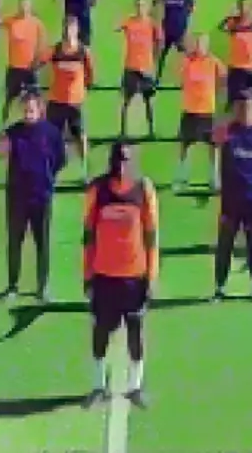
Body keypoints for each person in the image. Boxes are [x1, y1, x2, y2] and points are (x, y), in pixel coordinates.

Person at [82, 140, 159, 410]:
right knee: (100, 331)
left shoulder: (144, 189)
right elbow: (88, 236)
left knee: (135, 332)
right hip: (104, 275)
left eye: (126, 159)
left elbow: (151, 236)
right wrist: (87, 274)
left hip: (134, 277)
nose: (121, 165)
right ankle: (97, 386)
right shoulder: (98, 189)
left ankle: (135, 387)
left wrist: (152, 275)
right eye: (117, 159)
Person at [0, 91, 67, 302]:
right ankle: (12, 286)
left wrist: (48, 175)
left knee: (42, 243)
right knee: (14, 242)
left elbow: (61, 159)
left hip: (41, 197)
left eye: (31, 110)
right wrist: (0, 147)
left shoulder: (51, 133)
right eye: (25, 111)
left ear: (40, 111)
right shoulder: (14, 132)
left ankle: (42, 287)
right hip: (17, 197)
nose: (28, 114)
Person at [212, 93, 252, 305]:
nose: (244, 111)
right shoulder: (228, 132)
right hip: (231, 202)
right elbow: (214, 140)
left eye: (247, 107)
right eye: (240, 107)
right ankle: (219, 288)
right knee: (224, 246)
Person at [39, 18, 95, 183]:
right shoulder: (56, 50)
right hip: (56, 101)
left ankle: (85, 170)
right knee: (51, 138)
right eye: (67, 29)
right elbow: (40, 61)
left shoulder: (83, 52)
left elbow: (90, 74)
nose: (70, 32)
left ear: (77, 30)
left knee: (80, 136)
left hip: (75, 102)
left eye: (72, 29)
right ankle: (50, 171)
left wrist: (85, 87)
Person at [173, 34, 226, 191]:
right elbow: (178, 74)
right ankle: (182, 178)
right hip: (190, 111)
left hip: (208, 111)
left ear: (207, 46)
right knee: (185, 146)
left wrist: (218, 95)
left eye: (202, 44)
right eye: (197, 44)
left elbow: (223, 78)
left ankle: (214, 179)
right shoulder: (187, 61)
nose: (199, 47)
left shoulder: (214, 62)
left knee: (214, 146)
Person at [118, 0, 162, 139]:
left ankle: (151, 130)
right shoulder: (129, 22)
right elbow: (116, 26)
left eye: (142, 5)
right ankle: (123, 131)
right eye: (137, 5)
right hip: (131, 66)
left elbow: (160, 41)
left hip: (146, 68)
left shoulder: (152, 24)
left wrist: (153, 59)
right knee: (126, 100)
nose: (139, 8)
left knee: (148, 100)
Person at [0, 0, 46, 122]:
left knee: (36, 98)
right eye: (21, 5)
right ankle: (4, 127)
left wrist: (38, 62)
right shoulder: (11, 21)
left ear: (30, 7)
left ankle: (41, 123)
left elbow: (42, 45)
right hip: (14, 68)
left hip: (30, 68)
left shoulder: (37, 24)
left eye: (26, 5)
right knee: (9, 99)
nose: (23, 8)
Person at [219, 0, 252, 104]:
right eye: (240, 6)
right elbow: (222, 27)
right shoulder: (234, 22)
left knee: (249, 100)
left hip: (250, 67)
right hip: (235, 66)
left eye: (245, 6)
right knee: (234, 99)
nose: (243, 9)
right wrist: (230, 16)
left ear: (250, 8)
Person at [152, 0, 195, 83]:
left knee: (186, 56)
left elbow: (191, 10)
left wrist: (187, 30)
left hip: (180, 31)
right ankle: (155, 78)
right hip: (166, 29)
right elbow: (155, 1)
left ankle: (188, 78)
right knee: (160, 54)